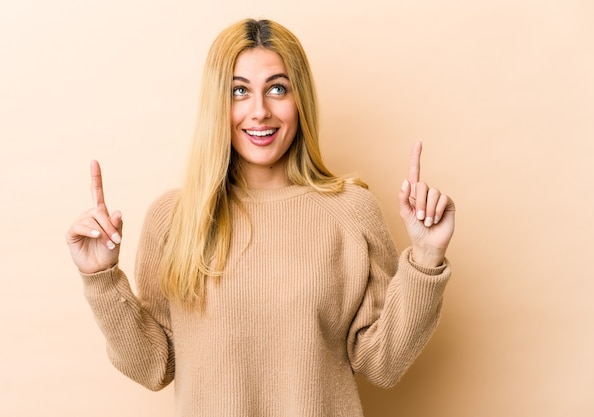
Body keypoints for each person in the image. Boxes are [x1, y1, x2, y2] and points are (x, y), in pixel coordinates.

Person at [66, 18, 455, 417]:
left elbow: (382, 365)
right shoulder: (172, 219)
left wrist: (426, 260)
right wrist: (101, 279)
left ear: (299, 98)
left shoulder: (350, 211)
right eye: (239, 91)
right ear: (217, 102)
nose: (259, 112)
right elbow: (153, 367)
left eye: (277, 88)